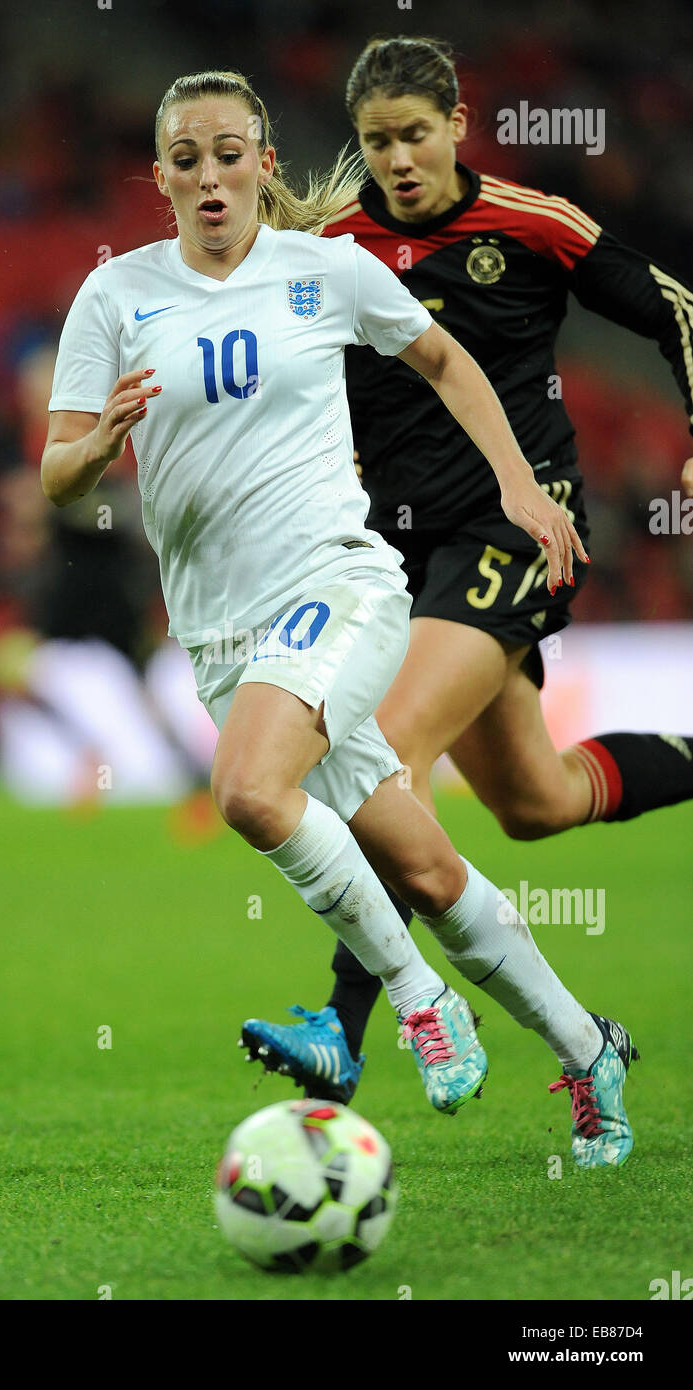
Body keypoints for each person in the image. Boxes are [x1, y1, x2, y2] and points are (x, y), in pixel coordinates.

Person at [42, 69, 635, 1169]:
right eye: (186, 158)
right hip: (218, 636)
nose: (209, 176)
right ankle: (587, 1046)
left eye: (230, 152)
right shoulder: (116, 298)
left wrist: (513, 480)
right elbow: (57, 480)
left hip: (340, 588)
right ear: (161, 177)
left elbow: (444, 358)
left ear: (266, 164)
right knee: (428, 871)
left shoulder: (328, 270)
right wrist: (94, 447)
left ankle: (418, 1003)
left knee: (250, 791)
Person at [241, 35, 691, 1136]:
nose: (397, 159)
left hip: (515, 527)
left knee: (384, 754)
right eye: (375, 141)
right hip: (397, 557)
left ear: (457, 122)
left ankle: (345, 1028)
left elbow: (674, 303)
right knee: (533, 802)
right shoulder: (334, 248)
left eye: (413, 134)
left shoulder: (533, 224)